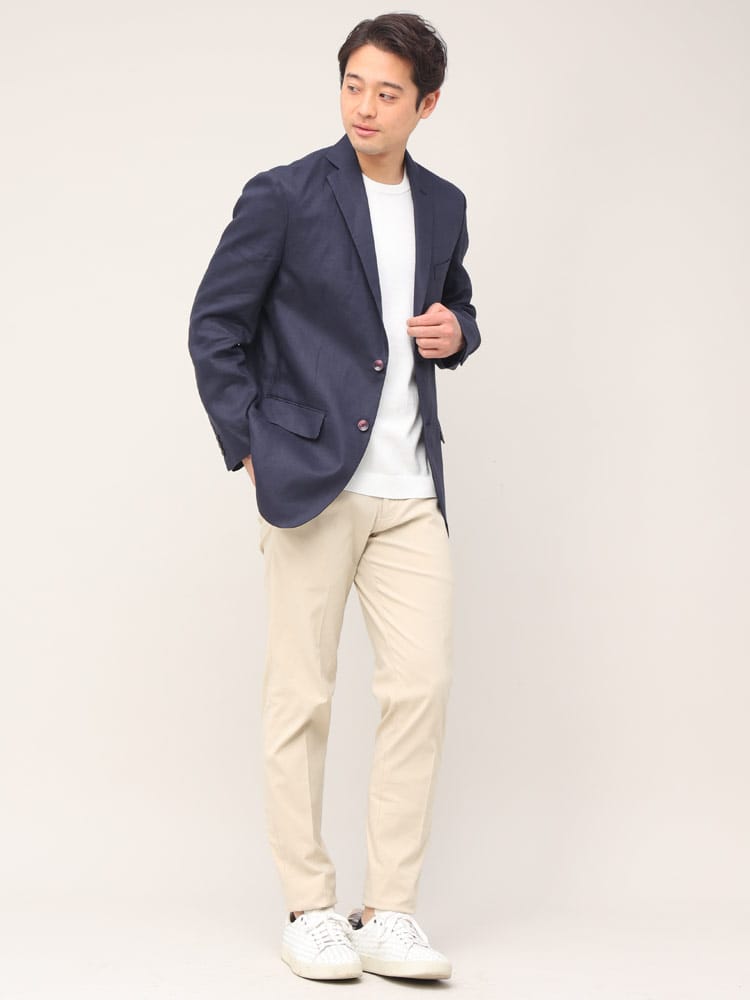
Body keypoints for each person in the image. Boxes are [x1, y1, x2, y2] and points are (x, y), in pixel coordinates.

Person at [188, 11, 480, 982]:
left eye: (388, 92)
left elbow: (455, 305)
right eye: (354, 84)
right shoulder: (285, 194)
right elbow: (215, 325)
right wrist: (251, 448)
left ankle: (389, 910)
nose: (365, 106)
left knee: (420, 690)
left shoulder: (443, 203)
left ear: (426, 104)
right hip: (313, 481)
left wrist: (456, 331)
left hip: (411, 487)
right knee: (300, 696)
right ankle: (309, 907)